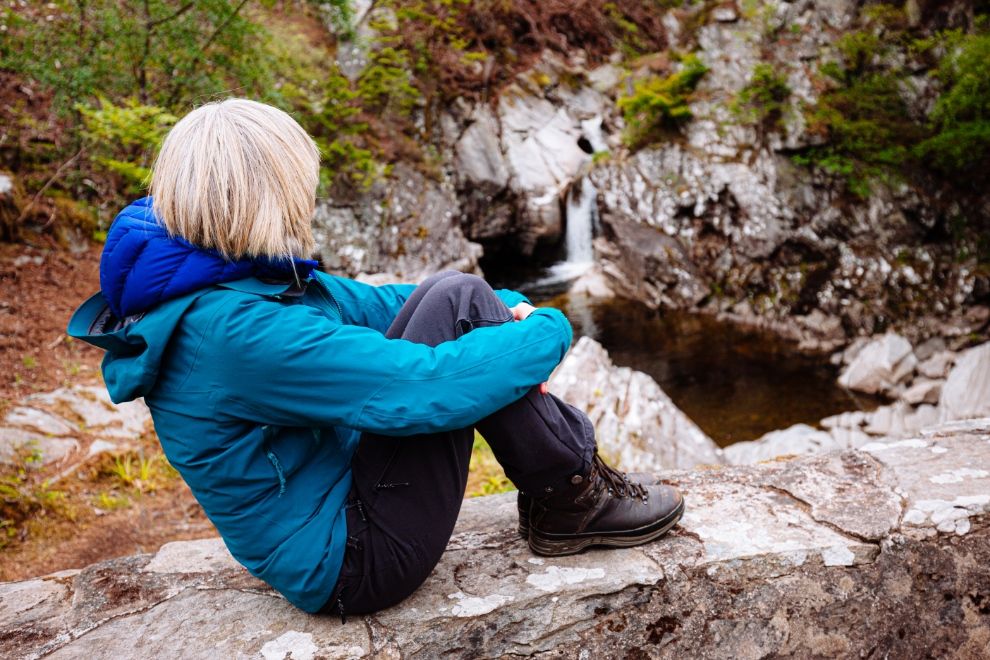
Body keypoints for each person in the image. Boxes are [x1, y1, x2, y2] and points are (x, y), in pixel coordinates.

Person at [67, 98, 684, 618]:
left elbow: (382, 303)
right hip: (355, 561)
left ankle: (566, 491)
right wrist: (546, 329)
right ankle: (571, 498)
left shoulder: (220, 278)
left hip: (342, 497)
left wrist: (507, 305)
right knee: (464, 329)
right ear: (271, 195)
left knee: (457, 293)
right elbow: (426, 386)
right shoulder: (233, 333)